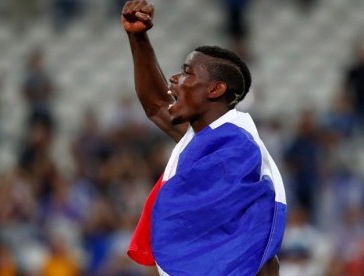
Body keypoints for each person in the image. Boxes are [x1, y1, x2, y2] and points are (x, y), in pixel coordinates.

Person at [121, 1, 287, 275]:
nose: (174, 79)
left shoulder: (239, 147)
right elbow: (155, 105)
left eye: (187, 72)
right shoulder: (204, 137)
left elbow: (257, 249)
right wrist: (137, 37)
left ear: (215, 89)